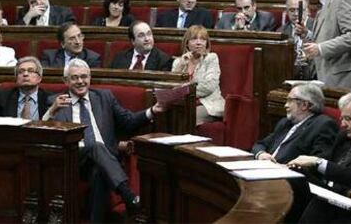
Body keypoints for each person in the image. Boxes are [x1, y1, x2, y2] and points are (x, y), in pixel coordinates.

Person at [42, 58, 165, 222]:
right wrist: (51, 111)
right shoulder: (56, 101)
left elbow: (127, 120)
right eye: (75, 77)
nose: (80, 81)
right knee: (95, 145)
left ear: (90, 77)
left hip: (103, 161)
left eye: (84, 77)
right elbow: (43, 133)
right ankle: (128, 195)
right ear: (65, 81)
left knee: (99, 172)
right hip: (73, 160)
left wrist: (152, 110)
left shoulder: (104, 97)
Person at [288, 91, 351, 223]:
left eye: (348, 119)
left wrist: (317, 162)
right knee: (294, 177)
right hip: (333, 194)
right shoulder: (344, 137)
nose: (343, 125)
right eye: (342, 119)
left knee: (319, 206)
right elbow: (328, 162)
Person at [252, 84, 338, 164]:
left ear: (304, 105)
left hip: (289, 175)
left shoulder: (322, 125)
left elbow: (317, 162)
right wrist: (261, 154)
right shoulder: (285, 123)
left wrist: (285, 167)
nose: (285, 105)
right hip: (266, 169)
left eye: (290, 100)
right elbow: (260, 144)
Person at [172, 25, 224, 125]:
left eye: (203, 39)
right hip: (183, 103)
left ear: (206, 44)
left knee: (189, 117)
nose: (199, 43)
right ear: (187, 43)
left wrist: (185, 91)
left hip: (208, 104)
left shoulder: (211, 58)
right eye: (194, 39)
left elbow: (209, 86)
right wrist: (181, 66)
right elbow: (172, 86)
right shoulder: (178, 62)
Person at [279, 0, 314, 79]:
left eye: (299, 10)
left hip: (314, 72)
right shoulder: (281, 31)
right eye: (292, 10)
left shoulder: (317, 25)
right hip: (290, 74)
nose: (296, 13)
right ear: (286, 12)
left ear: (308, 11)